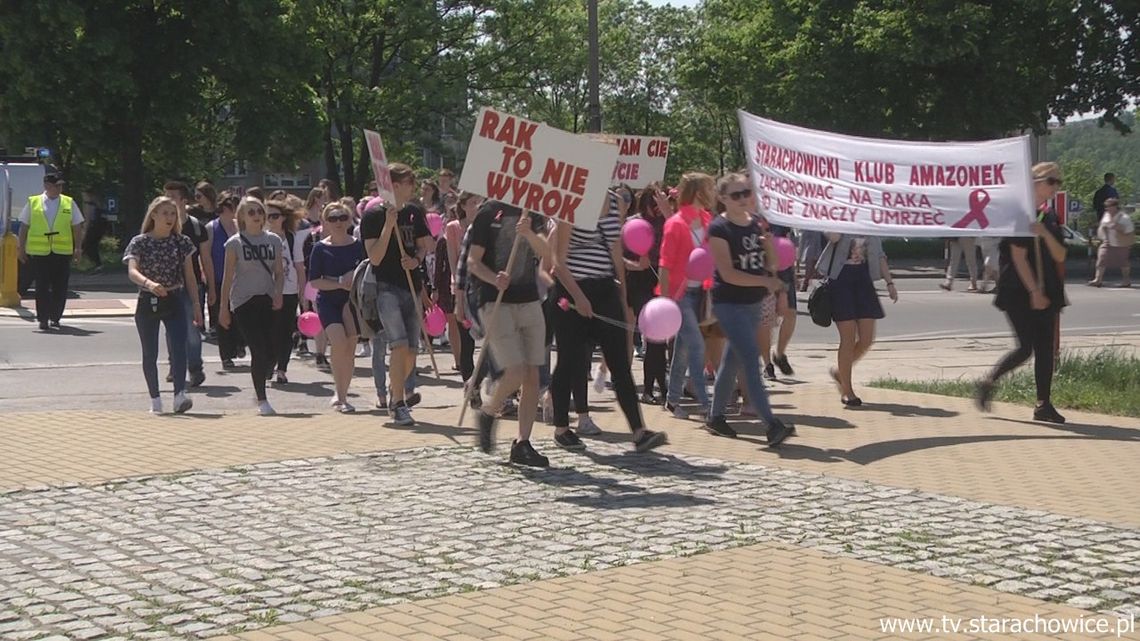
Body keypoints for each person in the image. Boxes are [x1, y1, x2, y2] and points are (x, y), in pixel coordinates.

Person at [550, 193, 669, 454]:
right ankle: (561, 428)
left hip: (605, 288)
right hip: (571, 291)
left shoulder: (614, 202)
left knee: (619, 362)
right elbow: (558, 261)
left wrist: (623, 297)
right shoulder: (571, 198)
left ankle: (638, 430)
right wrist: (579, 298)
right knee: (569, 361)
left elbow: (615, 249)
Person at [704, 174, 794, 445]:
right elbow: (728, 274)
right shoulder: (719, 228)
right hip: (729, 303)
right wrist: (765, 281)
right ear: (722, 199)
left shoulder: (756, 223)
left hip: (753, 302)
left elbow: (774, 264)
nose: (743, 198)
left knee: (733, 360)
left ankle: (715, 417)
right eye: (736, 195)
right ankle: (771, 423)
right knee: (750, 360)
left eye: (746, 192)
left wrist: (767, 241)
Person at [976, 162, 1070, 424]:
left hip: (1048, 287)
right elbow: (1018, 257)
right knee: (1025, 347)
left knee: (1045, 349)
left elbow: (1061, 254)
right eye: (1052, 181)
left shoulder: (1048, 215)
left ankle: (1043, 404)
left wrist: (1045, 234)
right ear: (1036, 182)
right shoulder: (1019, 213)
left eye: (1058, 183)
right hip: (1019, 290)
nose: (1056, 187)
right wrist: (1034, 290)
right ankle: (988, 381)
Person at [468, 200, 553, 466]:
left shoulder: (533, 211)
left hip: (528, 299)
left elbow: (547, 254)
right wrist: (494, 278)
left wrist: (528, 233)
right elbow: (473, 261)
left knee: (532, 375)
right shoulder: (488, 212)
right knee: (515, 370)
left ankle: (522, 443)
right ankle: (489, 412)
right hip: (495, 300)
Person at [360, 163, 433, 426]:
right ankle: (398, 403)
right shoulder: (373, 215)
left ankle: (396, 389)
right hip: (386, 287)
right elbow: (375, 257)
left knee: (412, 351)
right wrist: (389, 225)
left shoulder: (414, 212)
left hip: (410, 285)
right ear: (396, 186)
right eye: (409, 181)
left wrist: (417, 259)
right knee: (399, 344)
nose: (413, 186)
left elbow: (427, 245)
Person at [123, 196, 202, 414]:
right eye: (165, 213)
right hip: (149, 300)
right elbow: (132, 270)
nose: (169, 218)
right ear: (154, 215)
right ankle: (155, 399)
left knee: (179, 347)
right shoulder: (140, 242)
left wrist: (196, 303)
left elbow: (190, 276)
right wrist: (149, 283)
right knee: (150, 352)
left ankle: (179, 395)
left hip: (174, 298)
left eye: (173, 214)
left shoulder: (181, 242)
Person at [218, 197, 285, 416]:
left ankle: (264, 373)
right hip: (243, 301)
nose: (256, 215)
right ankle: (262, 399)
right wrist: (223, 308)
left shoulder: (274, 240)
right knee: (258, 349)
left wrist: (278, 293)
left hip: (266, 298)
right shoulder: (235, 243)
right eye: (251, 212)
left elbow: (279, 271)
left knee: (273, 350)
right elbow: (227, 277)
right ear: (243, 217)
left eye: (259, 211)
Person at [817, 233, 898, 406]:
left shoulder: (868, 221)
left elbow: (880, 254)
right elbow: (833, 237)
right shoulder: (837, 215)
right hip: (840, 279)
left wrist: (890, 283)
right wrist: (841, 219)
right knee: (848, 338)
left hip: (863, 279)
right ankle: (847, 391)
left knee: (867, 339)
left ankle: (840, 373)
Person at [659, 172, 715, 419]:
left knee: (683, 349)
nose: (714, 194)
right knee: (697, 346)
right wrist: (665, 302)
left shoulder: (707, 221)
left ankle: (672, 400)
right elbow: (665, 264)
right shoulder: (675, 224)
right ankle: (705, 404)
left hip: (701, 293)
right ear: (698, 192)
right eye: (710, 188)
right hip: (680, 295)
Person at [308, 202, 364, 412]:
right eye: (333, 218)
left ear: (350, 220)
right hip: (329, 300)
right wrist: (340, 281)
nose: (338, 222)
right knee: (338, 343)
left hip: (352, 301)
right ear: (325, 223)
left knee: (350, 348)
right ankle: (339, 396)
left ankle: (342, 392)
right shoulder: (320, 248)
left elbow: (367, 272)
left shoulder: (358, 245)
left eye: (342, 217)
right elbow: (315, 281)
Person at [17, 171, 84, 331]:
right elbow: (24, 227)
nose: (60, 188)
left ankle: (55, 317)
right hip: (40, 253)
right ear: (47, 186)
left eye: (61, 185)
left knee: (60, 287)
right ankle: (43, 319)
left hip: (62, 252)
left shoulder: (68, 202)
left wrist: (78, 248)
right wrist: (21, 248)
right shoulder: (33, 202)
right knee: (42, 287)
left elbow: (77, 227)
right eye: (57, 185)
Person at [163, 181, 210, 387]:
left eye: (172, 196)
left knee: (192, 329)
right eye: (166, 196)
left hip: (192, 285)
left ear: (183, 200)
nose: (168, 200)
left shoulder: (196, 227)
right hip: (168, 285)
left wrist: (213, 289)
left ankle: (195, 368)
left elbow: (206, 259)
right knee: (170, 328)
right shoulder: (162, 225)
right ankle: (175, 366)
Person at [625, 187, 669, 404]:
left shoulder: (667, 221)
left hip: (663, 280)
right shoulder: (633, 223)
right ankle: (649, 389)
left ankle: (661, 385)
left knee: (661, 338)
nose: (656, 209)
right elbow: (617, 256)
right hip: (640, 282)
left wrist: (669, 213)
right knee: (653, 334)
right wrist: (635, 265)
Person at [440, 192, 482, 382]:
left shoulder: (486, 226)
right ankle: (468, 381)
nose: (478, 206)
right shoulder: (453, 228)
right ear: (464, 206)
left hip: (483, 287)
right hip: (462, 286)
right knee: (466, 340)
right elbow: (453, 261)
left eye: (480, 202)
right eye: (473, 202)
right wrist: (458, 289)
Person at [266, 197, 305, 384]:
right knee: (269, 331)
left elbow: (299, 268)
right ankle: (269, 363)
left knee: (285, 331)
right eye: (267, 216)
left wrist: (303, 292)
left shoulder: (292, 238)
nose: (270, 220)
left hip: (289, 291)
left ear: (283, 218)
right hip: (267, 292)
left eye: (274, 216)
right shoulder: (261, 238)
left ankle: (282, 368)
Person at [206, 193, 244, 368]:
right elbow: (206, 256)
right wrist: (211, 285)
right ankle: (226, 356)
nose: (233, 211)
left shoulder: (240, 227)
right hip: (220, 278)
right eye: (229, 208)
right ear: (222, 210)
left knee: (240, 315)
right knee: (223, 317)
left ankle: (239, 344)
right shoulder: (211, 228)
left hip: (240, 279)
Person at [1089, 198, 1134, 288]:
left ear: (1115, 206)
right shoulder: (1106, 215)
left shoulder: (1124, 217)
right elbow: (1103, 225)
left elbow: (1129, 230)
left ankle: (1126, 281)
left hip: (1121, 243)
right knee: (1101, 258)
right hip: (1107, 241)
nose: (1107, 208)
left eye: (1109, 206)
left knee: (1123, 262)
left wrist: (1118, 227)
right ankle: (1098, 279)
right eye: (1106, 206)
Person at [80, 190, 107, 271]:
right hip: (99, 227)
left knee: (87, 246)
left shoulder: (88, 205)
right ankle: (96, 264)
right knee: (93, 246)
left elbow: (87, 219)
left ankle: (97, 264)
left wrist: (84, 231)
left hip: (92, 228)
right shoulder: (98, 204)